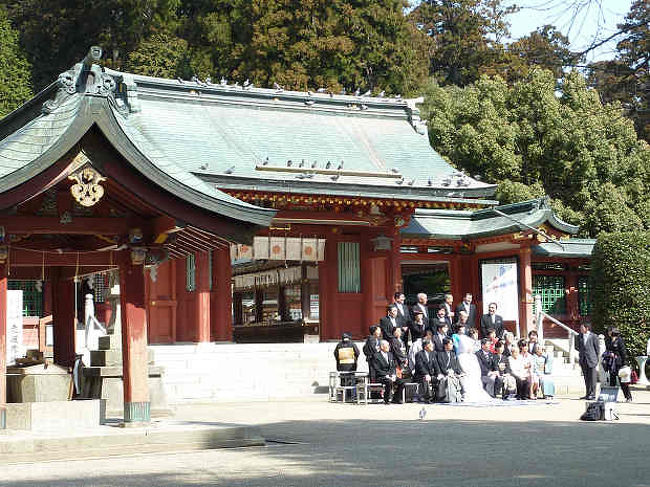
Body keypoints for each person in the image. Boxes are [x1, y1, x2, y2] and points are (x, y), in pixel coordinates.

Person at [455, 334, 496, 402]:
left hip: (475, 374)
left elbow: (477, 367)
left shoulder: (473, 356)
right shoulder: (461, 356)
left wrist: (476, 373)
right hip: (467, 374)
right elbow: (463, 368)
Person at [607, 328, 633, 402]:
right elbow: (608, 350)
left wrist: (624, 363)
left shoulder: (619, 340)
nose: (609, 332)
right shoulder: (609, 340)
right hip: (612, 363)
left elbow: (623, 352)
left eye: (610, 331)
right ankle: (611, 397)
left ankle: (628, 397)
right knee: (612, 381)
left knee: (623, 381)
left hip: (619, 363)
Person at [575, 322, 599, 400]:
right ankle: (587, 393)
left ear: (587, 328)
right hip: (583, 359)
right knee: (586, 378)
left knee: (593, 378)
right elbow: (577, 347)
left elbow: (597, 348)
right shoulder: (579, 336)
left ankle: (593, 394)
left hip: (592, 359)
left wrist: (595, 358)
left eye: (582, 328)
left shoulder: (594, 336)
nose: (580, 329)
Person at [434, 338, 464, 402]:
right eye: (450, 344)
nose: (452, 345)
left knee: (463, 377)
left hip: (452, 373)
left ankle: (461, 396)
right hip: (443, 373)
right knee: (449, 379)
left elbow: (456, 365)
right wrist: (447, 373)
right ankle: (451, 398)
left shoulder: (453, 354)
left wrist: (460, 372)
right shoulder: (439, 354)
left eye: (452, 344)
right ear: (445, 345)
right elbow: (441, 366)